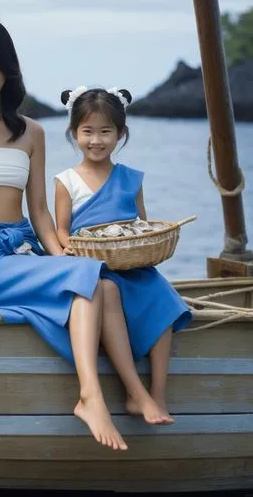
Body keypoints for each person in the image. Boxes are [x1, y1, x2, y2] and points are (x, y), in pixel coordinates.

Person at [0, 17, 176, 451]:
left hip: (23, 247)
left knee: (106, 286)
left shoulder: (31, 132)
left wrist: (63, 254)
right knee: (89, 281)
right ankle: (89, 397)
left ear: (7, 68)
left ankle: (135, 394)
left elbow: (39, 212)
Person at [54, 85, 193, 420]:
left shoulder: (131, 178)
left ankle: (158, 395)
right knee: (110, 292)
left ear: (120, 134)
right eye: (87, 131)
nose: (96, 140)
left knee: (165, 299)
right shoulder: (66, 180)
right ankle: (137, 393)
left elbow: (141, 224)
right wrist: (67, 246)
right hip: (93, 267)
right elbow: (60, 228)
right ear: (74, 133)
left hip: (131, 262)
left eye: (106, 131)